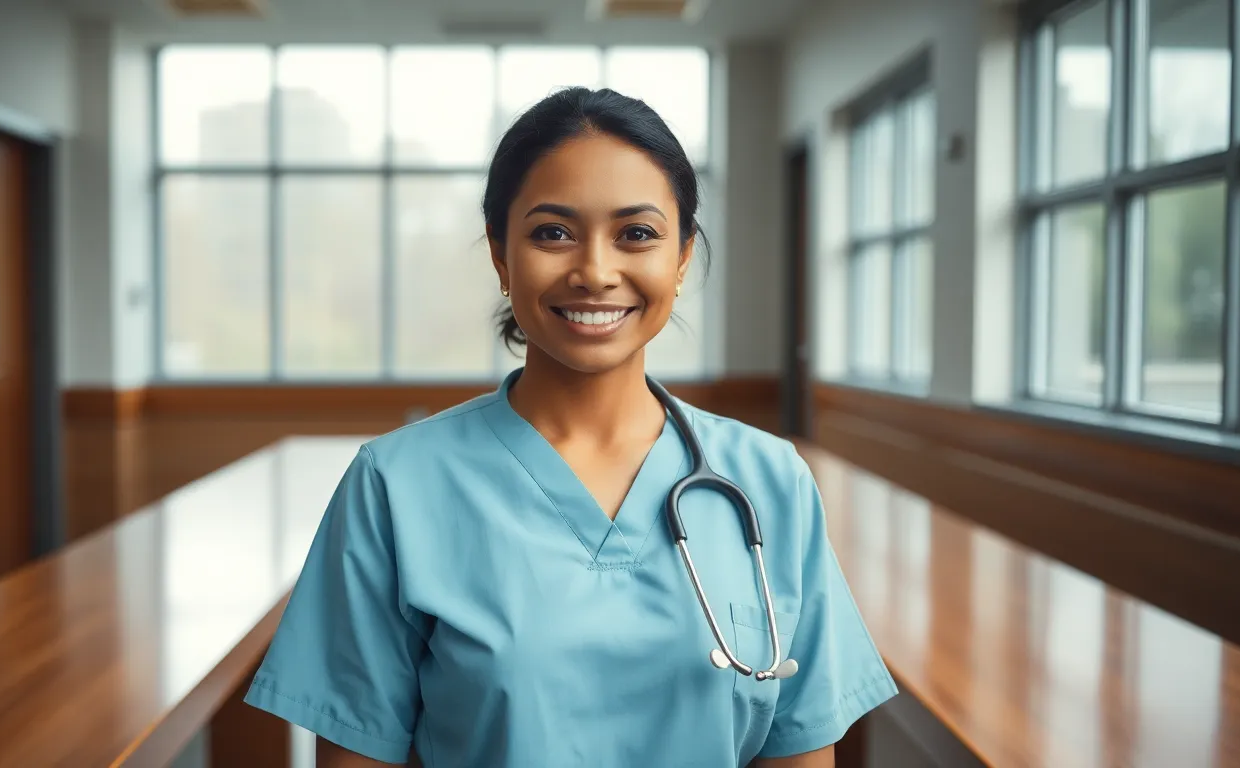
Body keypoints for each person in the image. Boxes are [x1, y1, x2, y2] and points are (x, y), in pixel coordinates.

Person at [243, 86, 897, 768]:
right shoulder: (395, 486)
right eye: (552, 232)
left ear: (681, 259)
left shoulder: (769, 480)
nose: (594, 271)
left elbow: (800, 750)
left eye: (636, 234)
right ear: (501, 255)